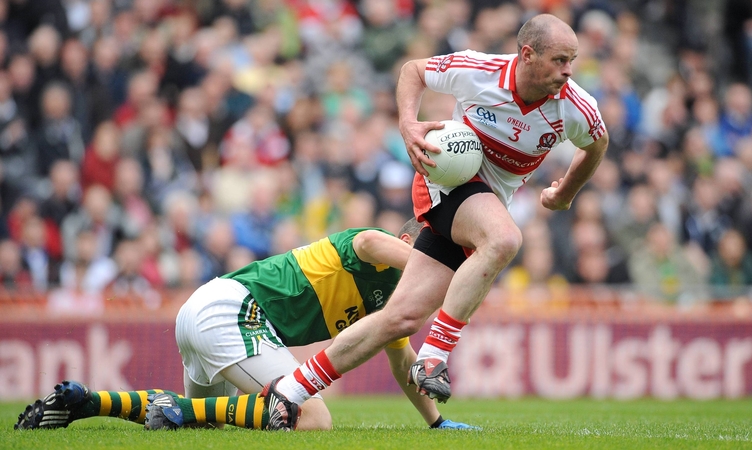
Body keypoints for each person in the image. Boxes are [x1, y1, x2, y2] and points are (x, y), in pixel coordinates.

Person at [264, 13, 608, 430]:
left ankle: (290, 391)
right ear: (527, 54)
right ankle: (434, 357)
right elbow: (413, 71)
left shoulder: (576, 107)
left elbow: (596, 145)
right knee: (504, 239)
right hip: (447, 185)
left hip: (482, 206)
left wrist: (565, 193)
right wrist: (408, 124)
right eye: (559, 60)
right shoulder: (479, 71)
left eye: (572, 60)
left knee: (399, 320)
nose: (568, 70)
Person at [15, 221, 475, 431]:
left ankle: (86, 401)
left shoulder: (393, 305)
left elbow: (404, 363)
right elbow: (378, 242)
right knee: (312, 419)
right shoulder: (371, 245)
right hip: (234, 311)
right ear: (411, 242)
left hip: (208, 308)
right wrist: (451, 268)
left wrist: (437, 424)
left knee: (204, 422)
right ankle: (176, 412)